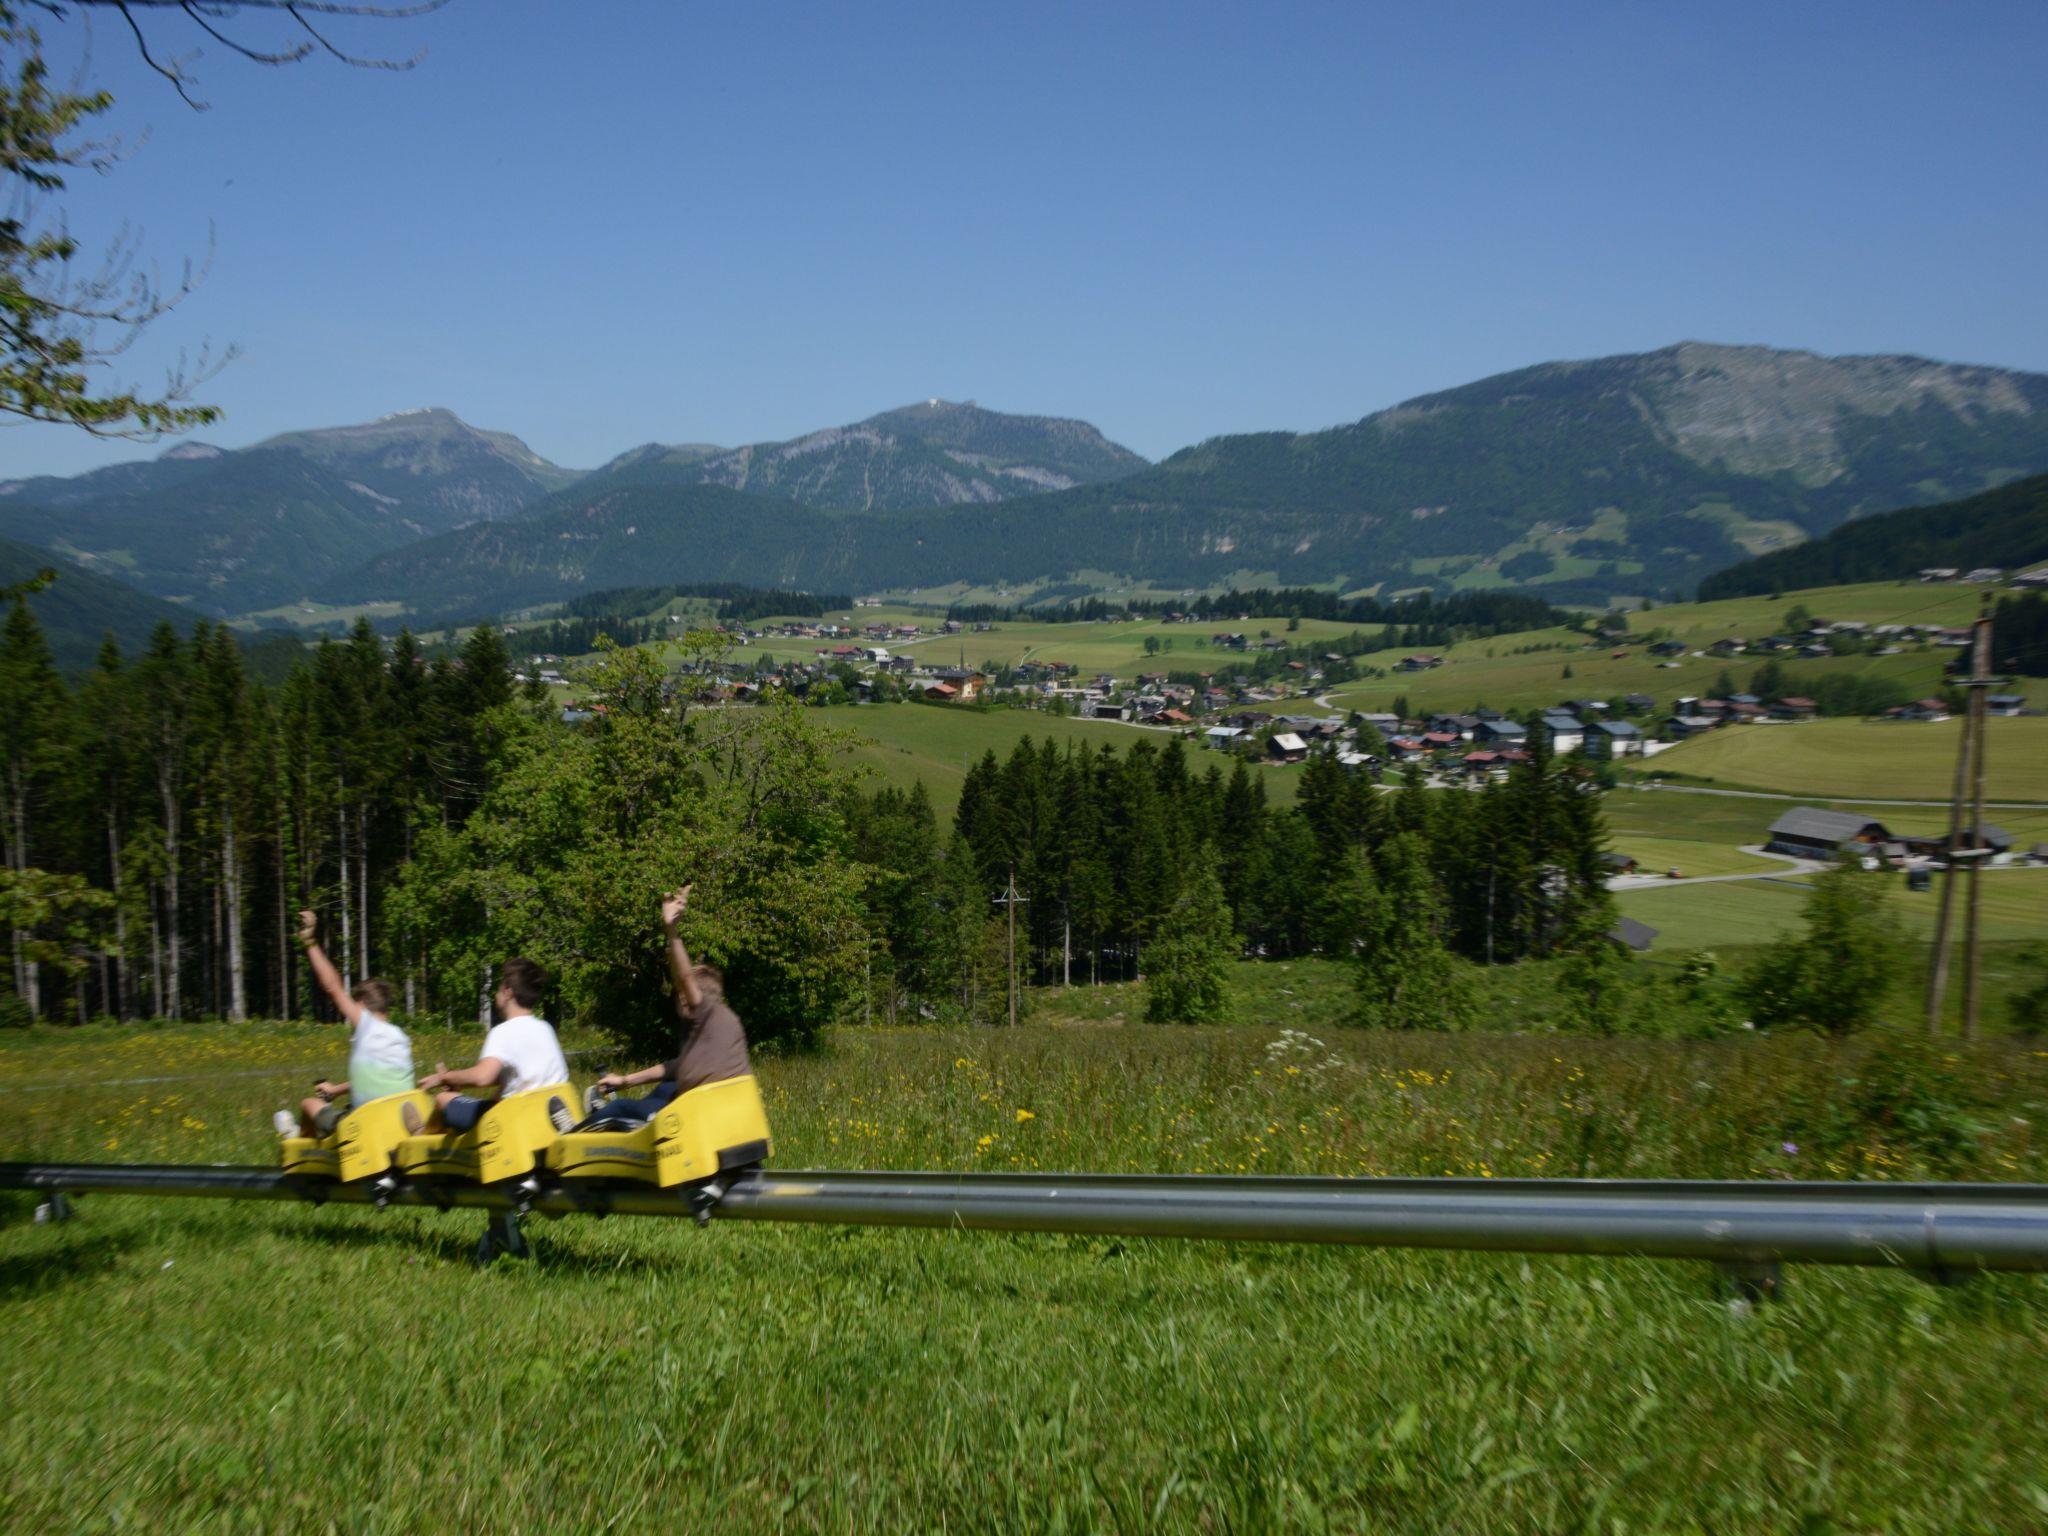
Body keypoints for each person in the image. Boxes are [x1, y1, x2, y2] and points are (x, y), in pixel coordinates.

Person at [587, 885, 750, 1123]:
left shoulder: (702, 1011)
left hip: (698, 1123)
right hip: (732, 1117)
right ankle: (602, 1112)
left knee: (619, 1108)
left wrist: (671, 928)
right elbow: (677, 1066)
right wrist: (625, 1080)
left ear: (685, 997)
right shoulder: (726, 1022)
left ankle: (573, 1131)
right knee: (667, 1086)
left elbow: (684, 978)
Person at [273, 909, 415, 1140]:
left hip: (363, 1123)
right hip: (396, 1120)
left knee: (309, 1104)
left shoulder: (367, 1025)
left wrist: (310, 942)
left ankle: (301, 1146)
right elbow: (378, 1078)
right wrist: (336, 1090)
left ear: (361, 1005)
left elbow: (332, 987)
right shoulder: (400, 1037)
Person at [401, 956, 574, 1135]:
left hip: (512, 1119)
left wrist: (444, 1078)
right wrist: (458, 1080)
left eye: (498, 989)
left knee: (443, 1099)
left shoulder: (503, 1031)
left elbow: (482, 1077)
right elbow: (514, 1075)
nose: (496, 995)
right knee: (489, 1096)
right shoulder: (545, 1028)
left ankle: (421, 1136)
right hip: (547, 1112)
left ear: (507, 992)